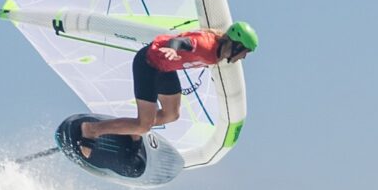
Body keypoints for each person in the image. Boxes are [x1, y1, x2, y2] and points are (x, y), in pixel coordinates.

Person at [79, 21, 258, 153]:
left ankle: (130, 129)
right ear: (236, 45)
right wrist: (172, 48)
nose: (244, 57)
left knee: (172, 114)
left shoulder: (217, 54)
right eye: (245, 52)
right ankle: (92, 130)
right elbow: (183, 42)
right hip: (148, 65)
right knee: (144, 126)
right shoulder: (206, 44)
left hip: (165, 69)